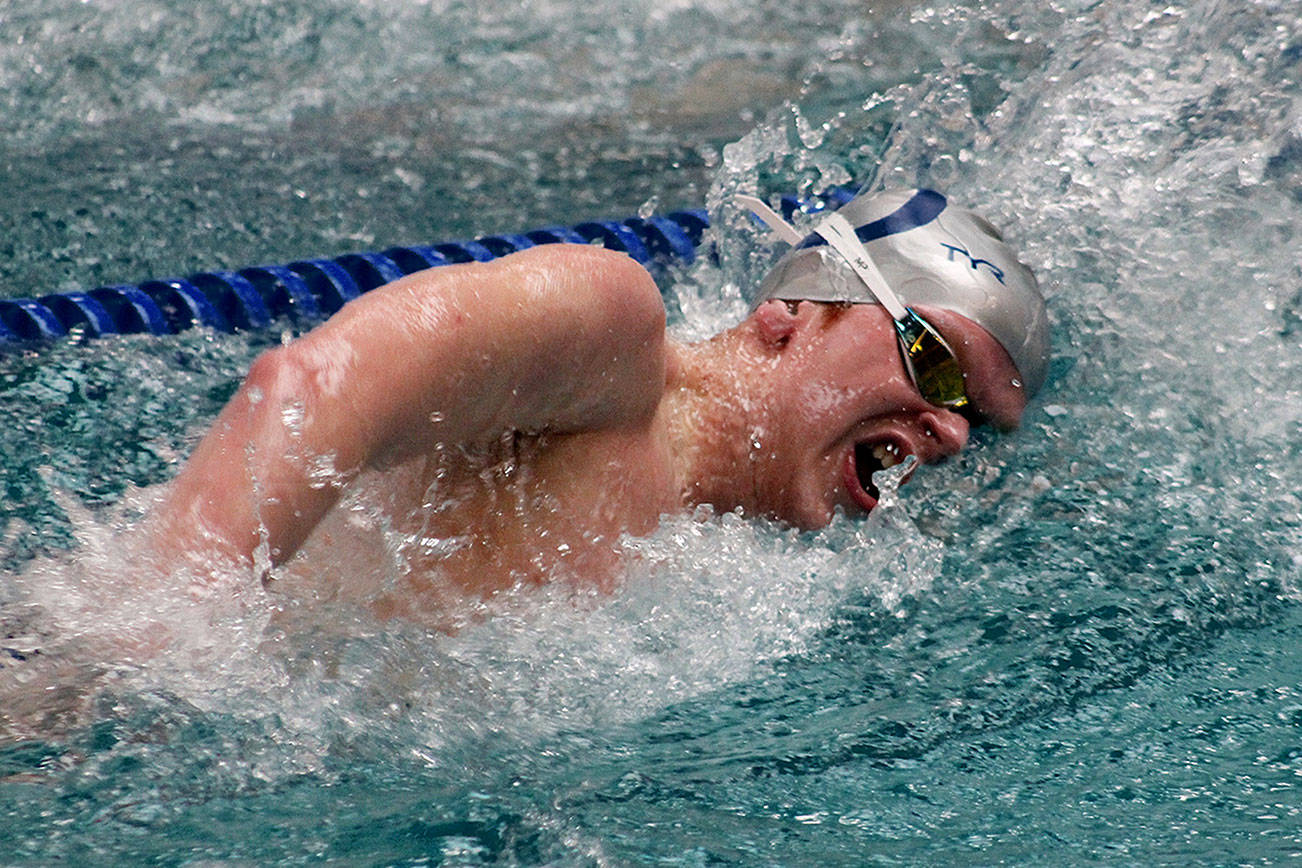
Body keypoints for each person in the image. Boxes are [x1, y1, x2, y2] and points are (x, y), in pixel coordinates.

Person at [148, 188, 1049, 622]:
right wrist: (157, 643)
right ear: (793, 315)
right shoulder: (611, 343)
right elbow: (309, 391)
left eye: (976, 416)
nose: (952, 430)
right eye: (933, 362)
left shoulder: (730, 578)